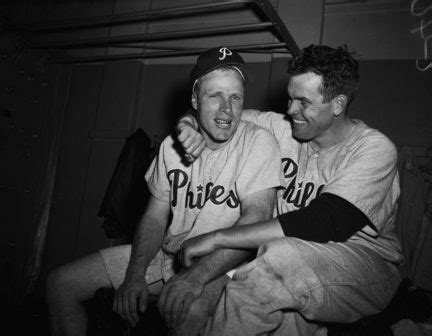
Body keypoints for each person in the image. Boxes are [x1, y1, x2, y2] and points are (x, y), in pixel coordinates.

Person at [45, 46, 283, 336]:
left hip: (223, 265)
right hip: (169, 255)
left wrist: (194, 278)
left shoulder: (258, 142)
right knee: (59, 284)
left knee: (187, 313)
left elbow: (256, 219)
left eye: (235, 97)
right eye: (215, 95)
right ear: (195, 99)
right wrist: (134, 275)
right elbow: (155, 216)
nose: (226, 109)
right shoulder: (172, 147)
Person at [176, 44, 402, 335]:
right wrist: (187, 123)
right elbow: (219, 113)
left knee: (277, 263)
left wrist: (219, 237)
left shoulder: (374, 149)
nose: (290, 109)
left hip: (365, 264)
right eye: (290, 98)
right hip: (297, 254)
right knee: (280, 314)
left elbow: (323, 222)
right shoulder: (284, 128)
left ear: (338, 104)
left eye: (303, 102)